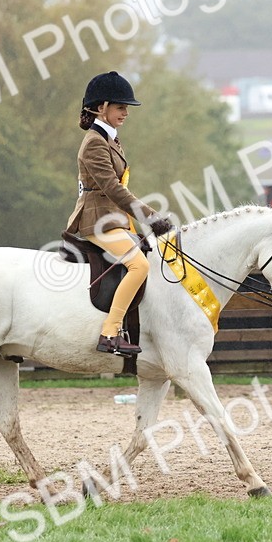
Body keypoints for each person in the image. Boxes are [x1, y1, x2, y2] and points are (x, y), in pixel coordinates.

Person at [66, 71, 173, 357]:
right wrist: (150, 217)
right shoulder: (94, 143)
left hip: (114, 219)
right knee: (140, 266)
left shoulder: (110, 139)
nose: (125, 113)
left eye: (126, 108)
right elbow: (113, 189)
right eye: (120, 107)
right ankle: (110, 331)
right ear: (101, 107)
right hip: (97, 221)